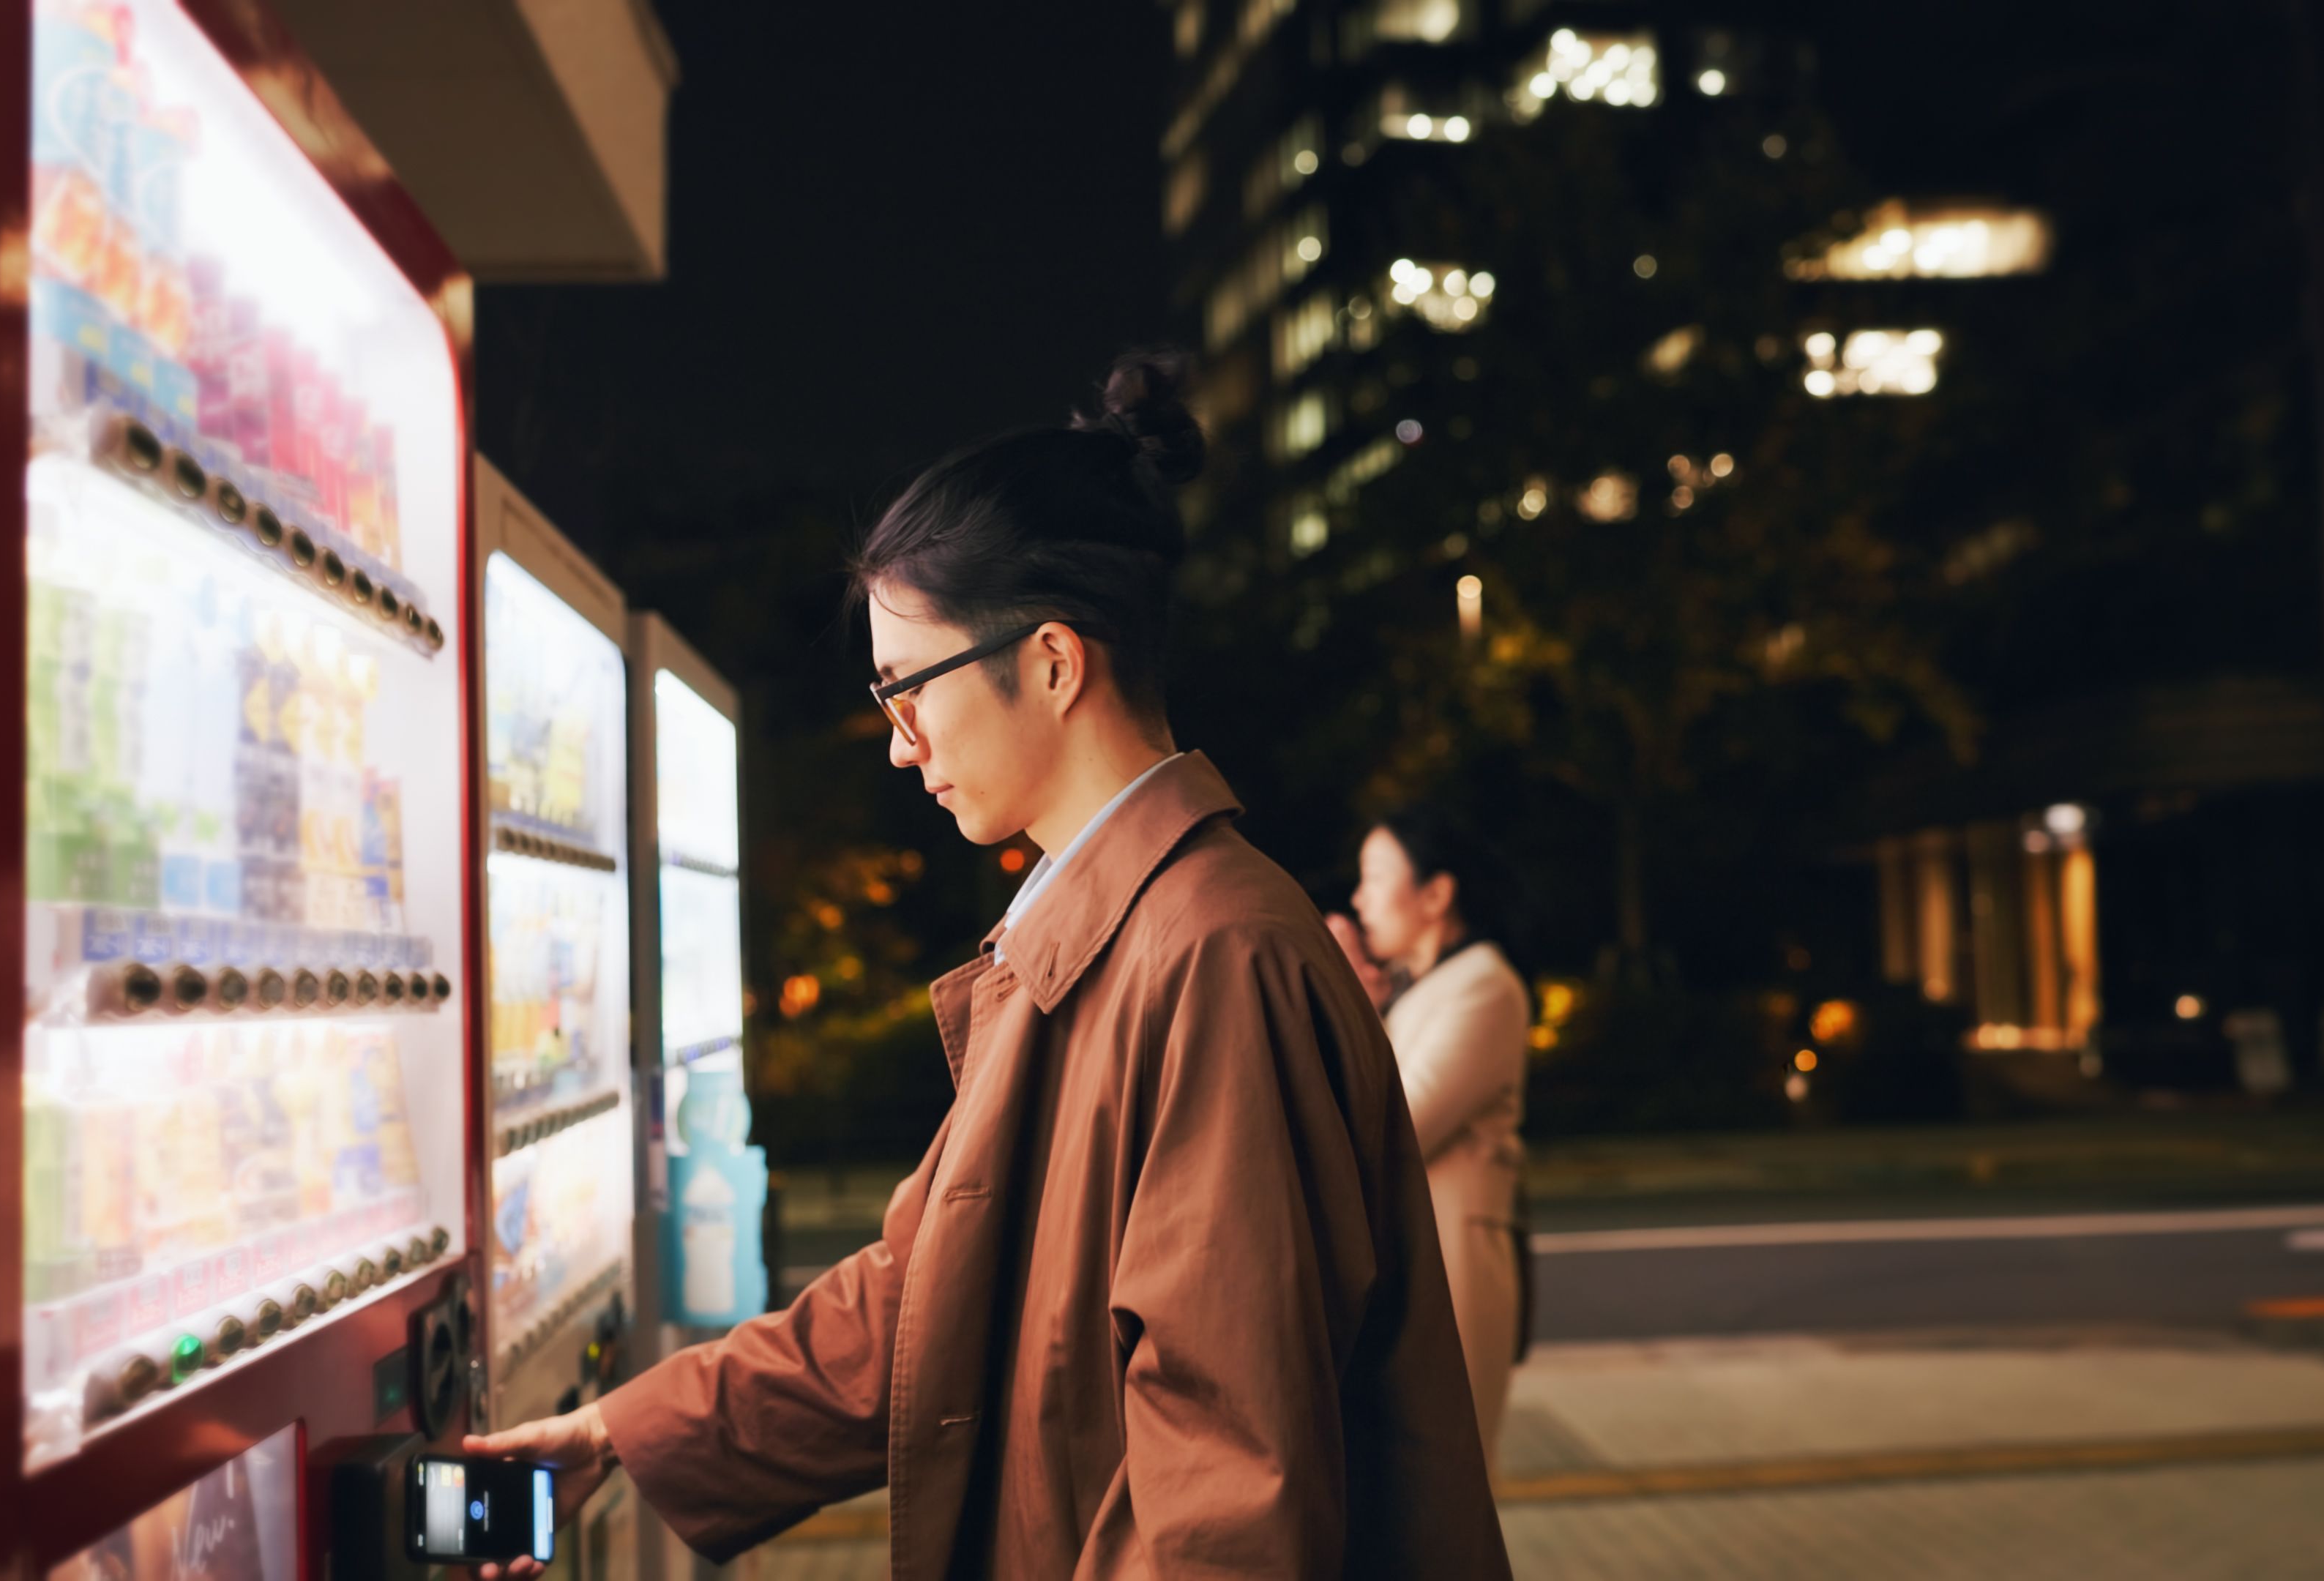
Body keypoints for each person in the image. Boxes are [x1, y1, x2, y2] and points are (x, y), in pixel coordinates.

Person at [465, 353, 1509, 1580]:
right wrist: (622, 1432)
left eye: (909, 689)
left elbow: (1227, 1499)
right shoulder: (1099, 929)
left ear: (1055, 662)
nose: (899, 747)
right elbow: (924, 1305)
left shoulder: (1212, 956)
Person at [1328, 809, 1530, 1470]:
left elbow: (1396, 1127)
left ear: (1436, 895)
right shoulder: (1429, 990)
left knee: (1445, 1488)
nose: (1359, 899)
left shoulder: (1483, 988)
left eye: (1375, 877)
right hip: (1420, 1269)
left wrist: (1348, 1008)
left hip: (1455, 1272)